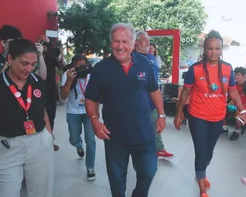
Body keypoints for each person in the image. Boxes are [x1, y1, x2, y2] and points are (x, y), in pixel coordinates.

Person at [85, 22, 165, 197]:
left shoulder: (144, 64)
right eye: (116, 41)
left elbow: (154, 90)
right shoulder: (101, 69)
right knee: (117, 179)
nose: (120, 46)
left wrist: (161, 114)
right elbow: (91, 98)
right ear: (111, 43)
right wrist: (94, 120)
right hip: (115, 137)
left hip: (144, 134)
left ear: (133, 43)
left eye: (125, 41)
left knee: (149, 172)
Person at [174, 30, 246, 197]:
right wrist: (179, 114)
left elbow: (234, 93)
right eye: (210, 48)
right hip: (197, 117)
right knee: (201, 151)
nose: (214, 52)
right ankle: (202, 190)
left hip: (218, 118)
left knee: (209, 153)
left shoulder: (228, 69)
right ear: (204, 49)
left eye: (217, 48)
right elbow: (185, 93)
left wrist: (241, 110)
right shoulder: (195, 69)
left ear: (221, 49)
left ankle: (201, 172)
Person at [0, 39, 54, 196]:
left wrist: (49, 136)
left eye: (33, 64)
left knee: (42, 192)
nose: (29, 69)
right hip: (6, 147)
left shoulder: (37, 82)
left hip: (38, 142)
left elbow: (43, 111)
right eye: (24, 63)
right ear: (10, 59)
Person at [134, 31, 173, 160]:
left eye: (148, 40)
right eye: (144, 40)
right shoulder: (131, 58)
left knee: (156, 124)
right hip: (137, 102)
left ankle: (159, 149)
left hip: (152, 101)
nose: (148, 42)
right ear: (136, 42)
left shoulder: (152, 58)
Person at [60, 54, 96, 180]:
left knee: (91, 140)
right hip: (73, 111)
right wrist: (70, 80)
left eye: (84, 65)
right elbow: (63, 97)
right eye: (78, 66)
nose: (82, 69)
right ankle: (79, 146)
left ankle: (90, 167)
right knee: (73, 139)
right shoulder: (67, 74)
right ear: (73, 66)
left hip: (89, 111)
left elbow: (98, 94)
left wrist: (96, 112)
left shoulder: (92, 75)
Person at [37, 35, 64, 151]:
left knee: (51, 115)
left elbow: (62, 67)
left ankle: (50, 140)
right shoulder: (32, 52)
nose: (44, 45)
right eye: (41, 42)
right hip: (36, 89)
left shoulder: (53, 53)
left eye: (46, 43)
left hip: (50, 89)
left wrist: (60, 55)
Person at [227, 67, 246, 141]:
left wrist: (241, 106)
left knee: (240, 114)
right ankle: (223, 127)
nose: (235, 76)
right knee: (221, 107)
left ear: (244, 76)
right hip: (235, 104)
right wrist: (230, 101)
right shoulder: (233, 85)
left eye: (238, 75)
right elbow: (230, 97)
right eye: (235, 74)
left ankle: (236, 132)